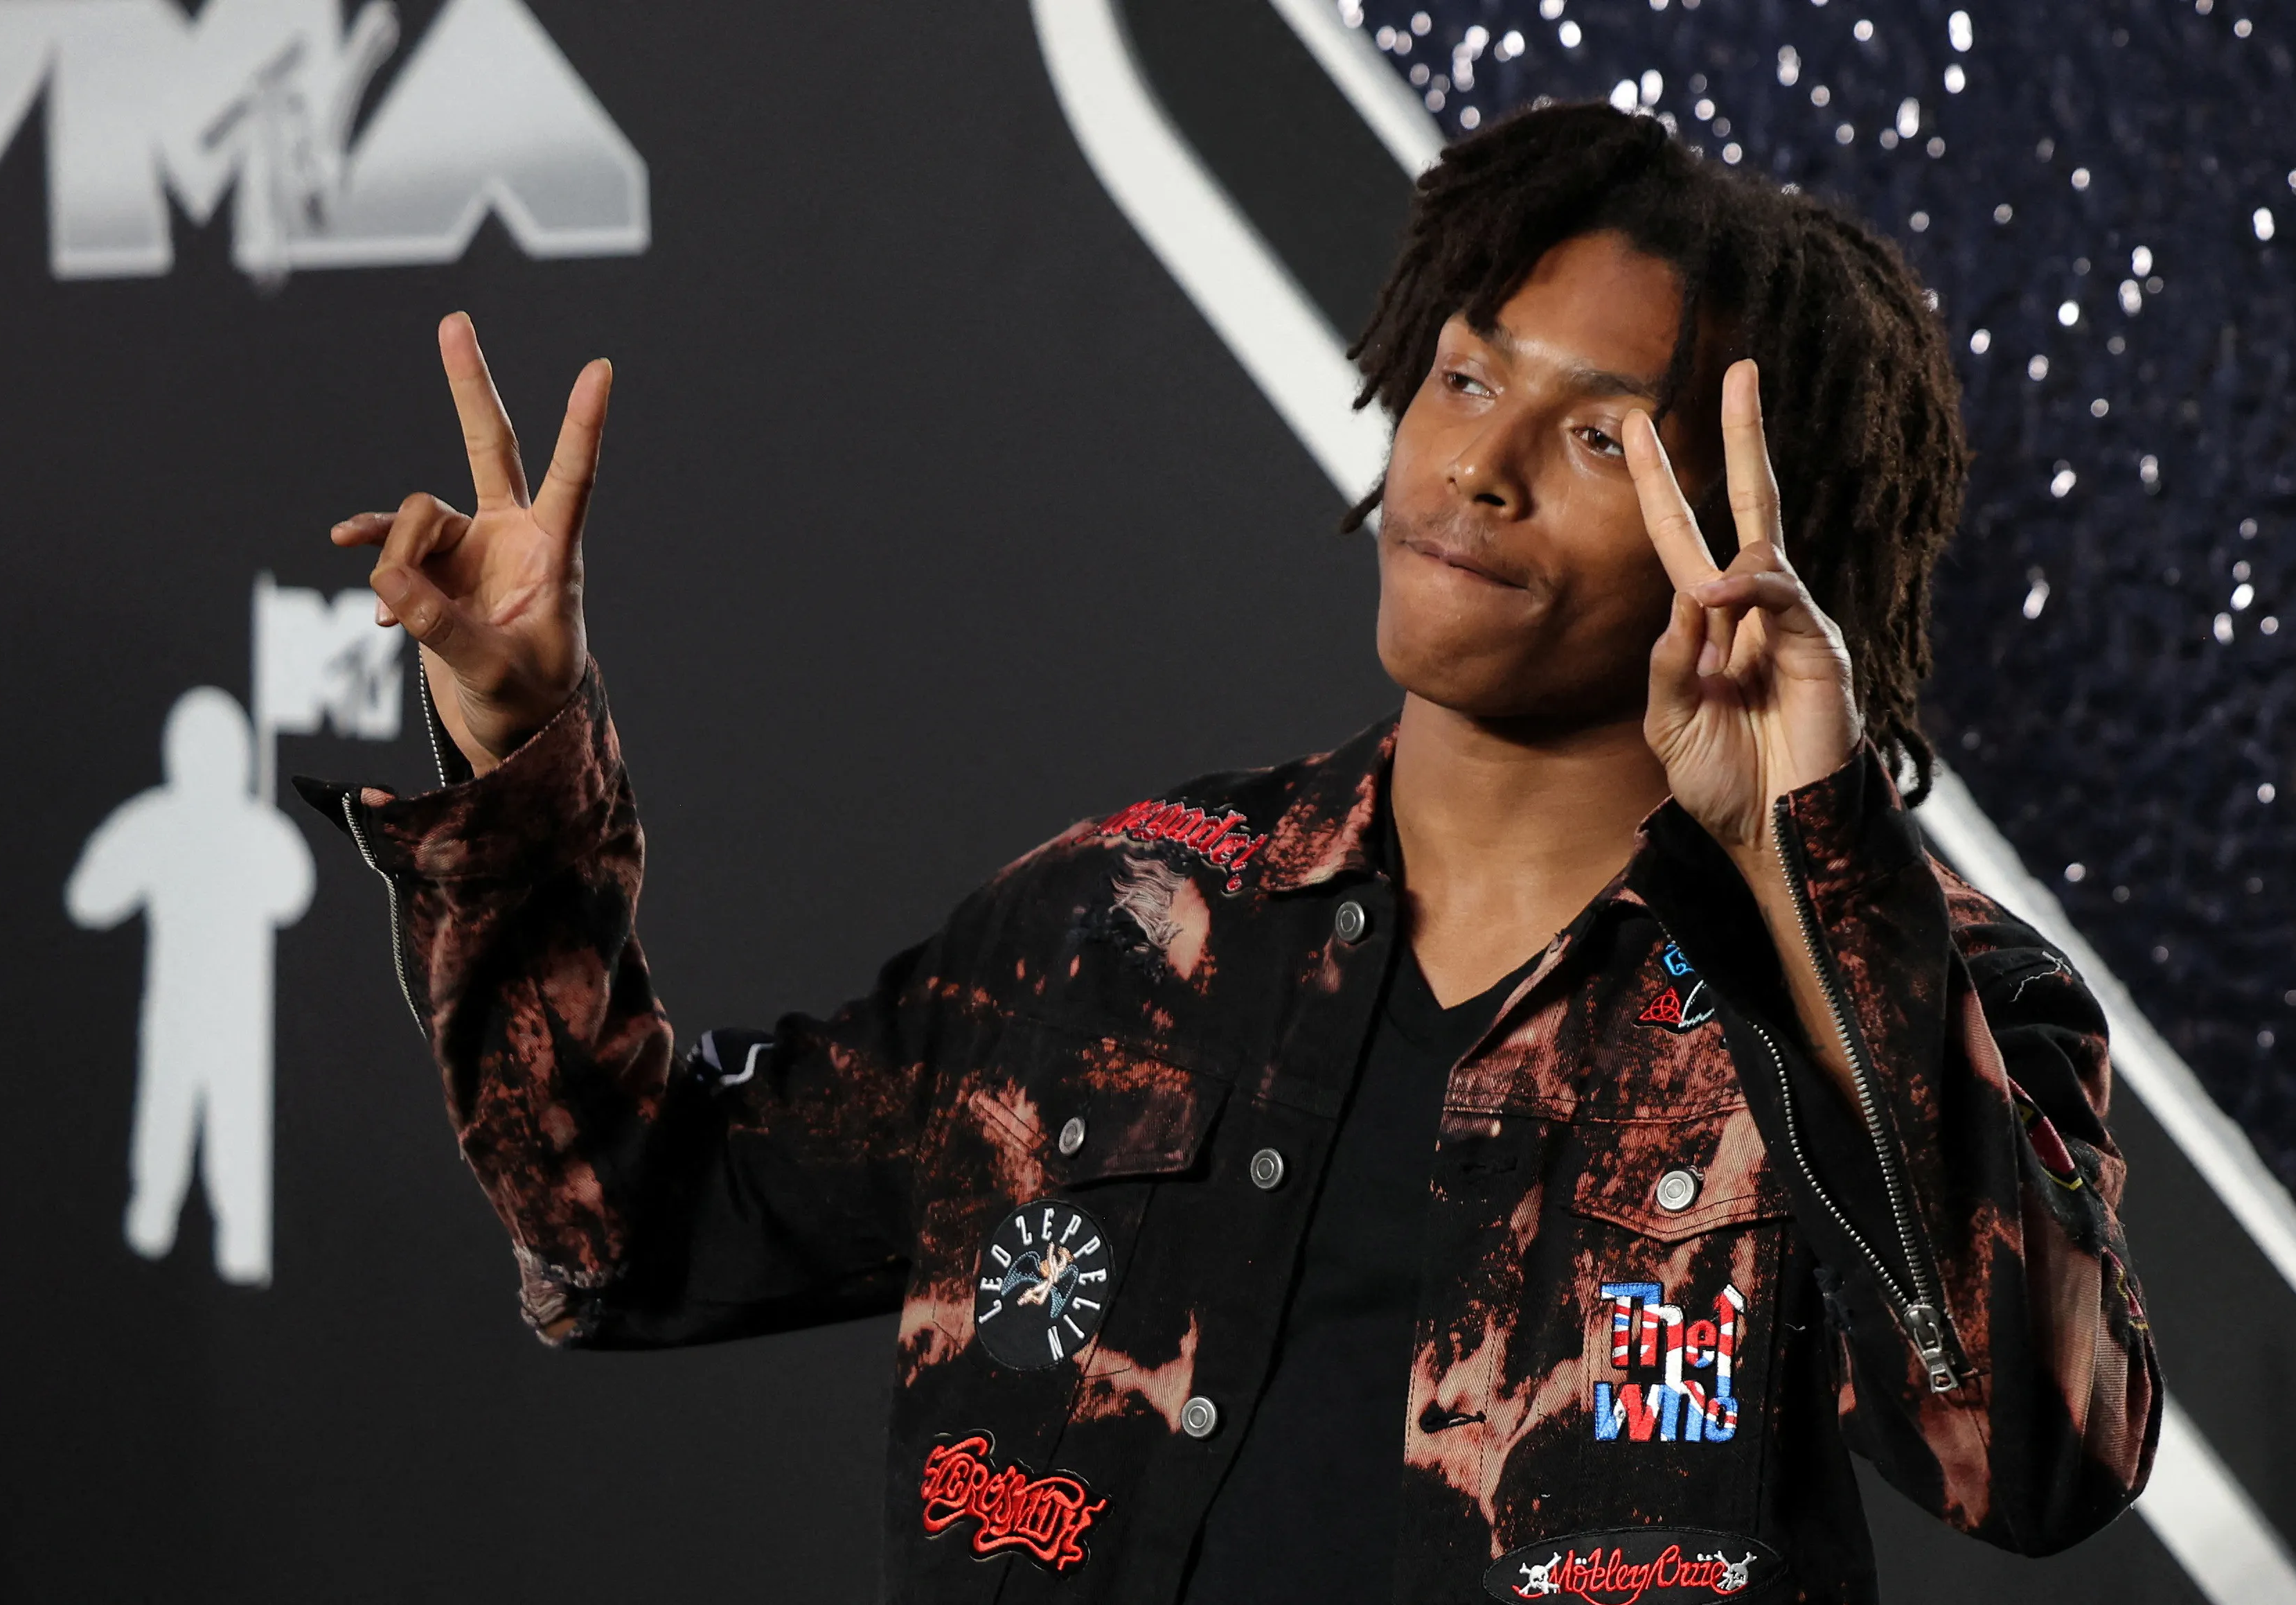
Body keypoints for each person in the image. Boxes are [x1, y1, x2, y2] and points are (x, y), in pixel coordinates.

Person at [310, 103, 2157, 1604]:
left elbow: (2033, 1454)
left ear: (1772, 533)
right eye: (1461, 377)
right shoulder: (1119, 924)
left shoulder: (1927, 990)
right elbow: (621, 1226)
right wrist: (513, 742)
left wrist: (1806, 863)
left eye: (1600, 436)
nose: (1479, 465)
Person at [70, 686, 316, 1286]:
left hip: (240, 1019)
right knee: (166, 1119)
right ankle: (154, 1221)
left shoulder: (256, 833)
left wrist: (264, 839)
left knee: (237, 1130)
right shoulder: (159, 824)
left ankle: (240, 1242)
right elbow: (89, 898)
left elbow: (293, 893)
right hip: (178, 1013)